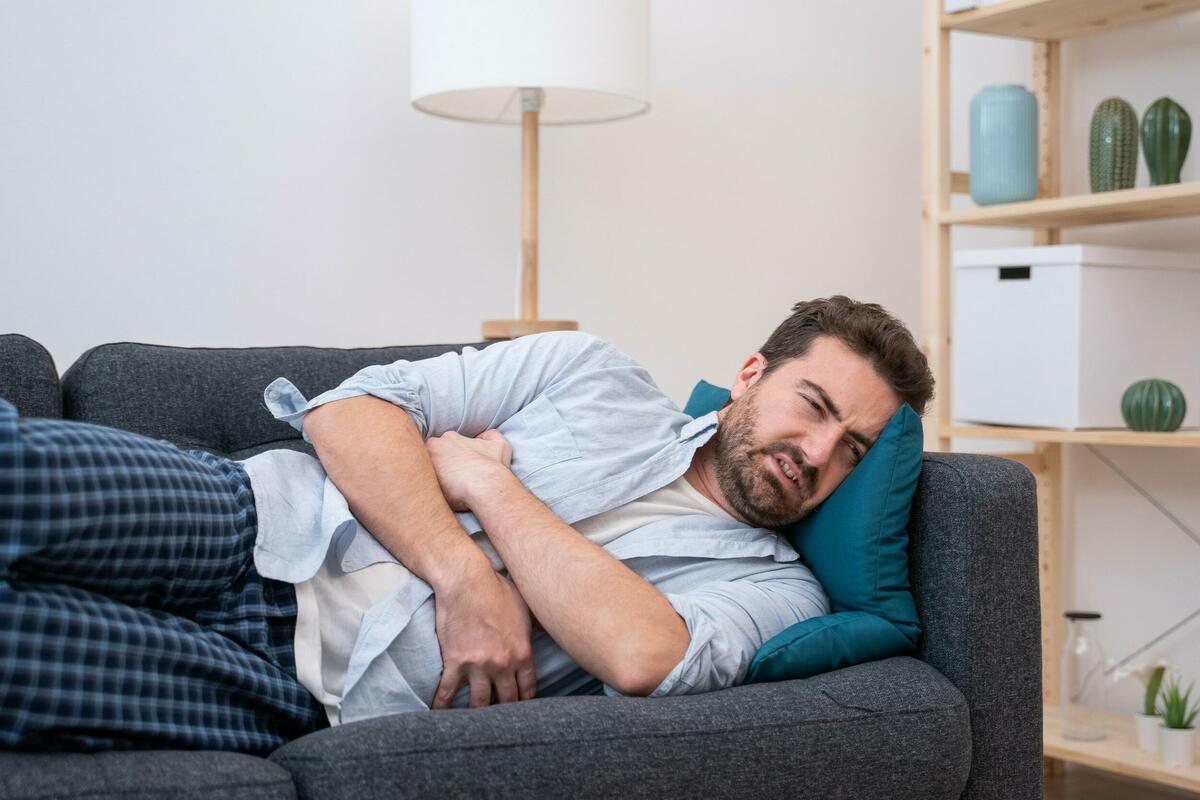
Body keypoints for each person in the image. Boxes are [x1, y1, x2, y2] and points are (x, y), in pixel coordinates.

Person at [0, 295, 934, 755]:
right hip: (254, 517)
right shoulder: (593, 372)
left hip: (298, 686)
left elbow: (645, 656)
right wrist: (463, 572)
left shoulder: (781, 591)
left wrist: (487, 485)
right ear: (752, 374)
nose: (818, 451)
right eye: (813, 406)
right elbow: (349, 412)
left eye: (852, 449)